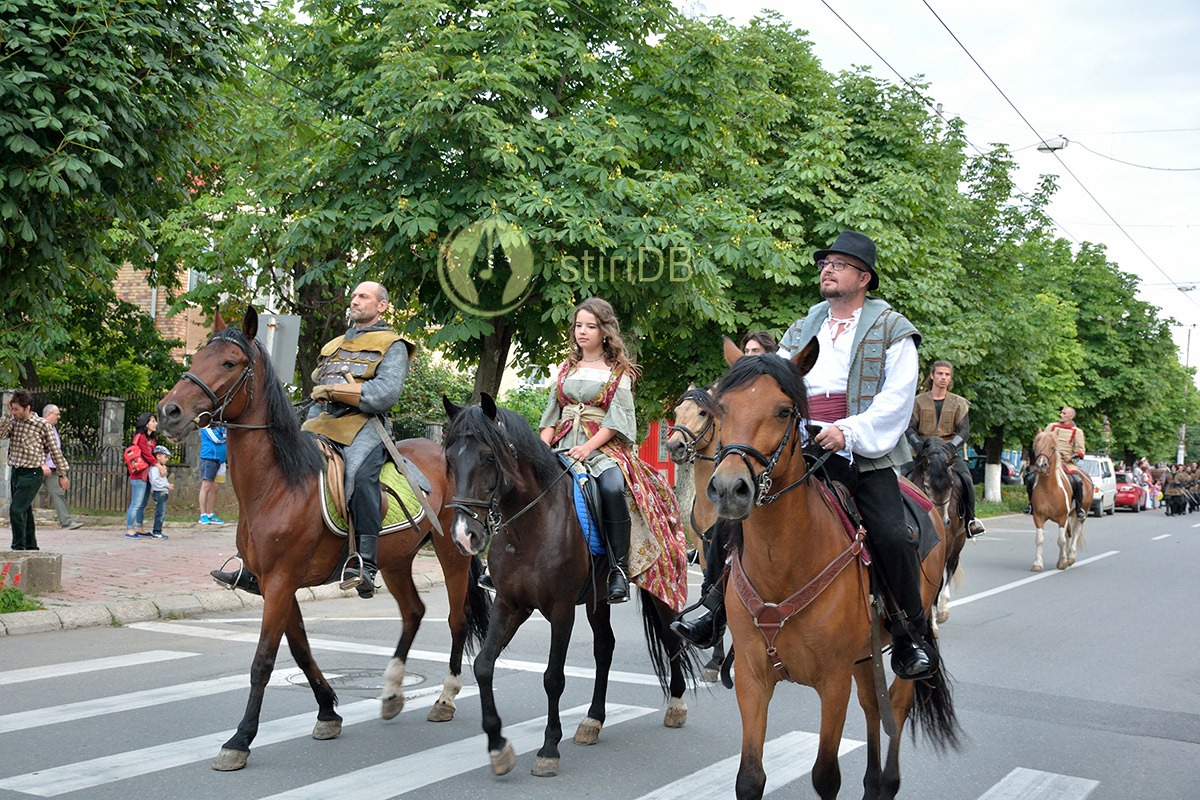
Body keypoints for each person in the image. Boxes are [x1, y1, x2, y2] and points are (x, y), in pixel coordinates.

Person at [673, 230, 936, 681]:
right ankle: (714, 607)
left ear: (864, 277)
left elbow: (896, 400)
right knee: (731, 519)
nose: (827, 269)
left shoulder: (894, 330)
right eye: (825, 263)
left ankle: (910, 635)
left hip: (862, 453)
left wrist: (847, 431)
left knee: (893, 535)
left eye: (839, 263)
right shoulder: (802, 327)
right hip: (803, 446)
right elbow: (777, 390)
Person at [212, 282, 413, 598]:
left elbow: (386, 394)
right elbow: (319, 393)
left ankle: (365, 564)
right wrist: (310, 415)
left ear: (382, 306)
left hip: (364, 426)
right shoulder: (332, 346)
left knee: (359, 478)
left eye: (363, 296)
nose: (355, 300)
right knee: (273, 474)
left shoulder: (394, 345)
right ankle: (254, 563)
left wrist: (343, 392)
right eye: (354, 295)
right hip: (322, 422)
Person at [535, 297, 684, 605]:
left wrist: (586, 448)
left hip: (602, 449)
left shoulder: (619, 372)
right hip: (562, 444)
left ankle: (618, 568)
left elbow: (616, 422)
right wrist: (540, 449)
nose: (582, 332)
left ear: (604, 331)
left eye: (590, 326)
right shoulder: (566, 369)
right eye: (578, 326)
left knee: (613, 488)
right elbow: (551, 417)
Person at [906, 360, 985, 537]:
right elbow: (909, 427)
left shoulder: (959, 403)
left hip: (948, 452)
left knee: (966, 479)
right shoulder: (917, 402)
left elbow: (964, 431)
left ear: (950, 379)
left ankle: (971, 520)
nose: (943, 378)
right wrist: (919, 446)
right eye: (940, 374)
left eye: (947, 375)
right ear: (932, 375)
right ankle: (897, 519)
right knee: (901, 479)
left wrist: (951, 447)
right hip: (922, 452)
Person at [1, 390, 71, 550]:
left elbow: (55, 451)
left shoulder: (42, 425)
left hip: (33, 472)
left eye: (17, 409)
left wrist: (62, 474)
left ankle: (18, 546)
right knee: (24, 509)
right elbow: (1, 434)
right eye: (12, 408)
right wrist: (7, 414)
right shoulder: (13, 421)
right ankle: (31, 545)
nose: (14, 412)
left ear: (27, 408)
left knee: (16, 509)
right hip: (16, 470)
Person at [1024, 406, 1087, 520]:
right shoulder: (1051, 426)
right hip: (1049, 460)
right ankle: (1031, 504)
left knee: (1077, 481)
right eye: (1061, 413)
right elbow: (1043, 441)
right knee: (1030, 478)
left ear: (1071, 416)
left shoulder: (1077, 432)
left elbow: (1081, 451)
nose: (1061, 415)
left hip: (1065, 462)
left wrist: (1071, 456)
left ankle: (1079, 508)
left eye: (1064, 413)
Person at [40, 404, 83, 530]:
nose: (59, 417)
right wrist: (42, 463)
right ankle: (18, 520)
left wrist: (61, 474)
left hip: (51, 468)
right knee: (27, 494)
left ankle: (67, 522)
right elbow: (35, 448)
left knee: (58, 493)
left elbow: (56, 452)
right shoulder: (40, 427)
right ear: (49, 414)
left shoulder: (53, 429)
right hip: (38, 467)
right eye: (57, 414)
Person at [124, 412, 158, 539]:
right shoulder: (140, 437)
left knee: (143, 503)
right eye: (153, 421)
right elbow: (147, 455)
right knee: (136, 503)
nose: (155, 424)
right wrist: (158, 466)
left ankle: (139, 526)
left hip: (147, 475)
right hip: (139, 475)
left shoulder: (152, 440)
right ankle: (129, 528)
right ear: (146, 423)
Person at [197, 425, 227, 525]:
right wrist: (225, 437)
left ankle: (210, 513)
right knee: (206, 486)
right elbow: (217, 439)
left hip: (221, 460)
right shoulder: (205, 426)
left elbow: (226, 434)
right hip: (209, 459)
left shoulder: (219, 425)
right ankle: (203, 514)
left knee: (215, 488)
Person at [147, 445, 174, 540]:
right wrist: (166, 485)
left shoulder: (161, 468)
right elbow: (156, 481)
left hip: (163, 492)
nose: (167, 459)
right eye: (165, 457)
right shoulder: (154, 469)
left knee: (161, 512)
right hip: (159, 492)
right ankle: (156, 531)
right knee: (160, 513)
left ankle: (158, 530)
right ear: (158, 456)